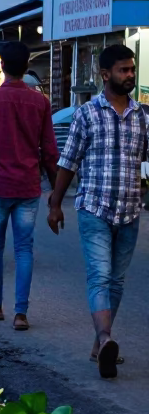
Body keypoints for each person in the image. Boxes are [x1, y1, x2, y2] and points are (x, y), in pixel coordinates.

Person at [48, 44, 147, 378]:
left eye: (132, 69)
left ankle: (99, 346)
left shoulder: (142, 116)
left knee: (116, 282)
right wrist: (55, 203)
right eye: (124, 70)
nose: (130, 75)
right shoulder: (87, 114)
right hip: (94, 208)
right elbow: (68, 161)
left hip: (130, 211)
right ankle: (106, 337)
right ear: (105, 75)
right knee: (100, 277)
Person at [0, 41, 58, 331]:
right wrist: (56, 192)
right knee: (24, 249)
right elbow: (50, 153)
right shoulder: (40, 102)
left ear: (2, 66)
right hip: (28, 187)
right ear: (27, 66)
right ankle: (21, 314)